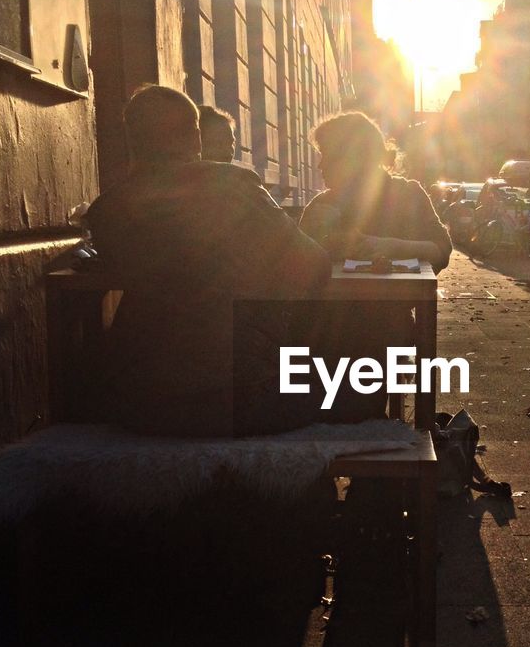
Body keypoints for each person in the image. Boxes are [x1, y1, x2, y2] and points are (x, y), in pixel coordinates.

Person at [87, 85, 331, 437]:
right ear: (196, 137)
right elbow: (314, 265)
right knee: (349, 388)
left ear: (131, 140)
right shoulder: (233, 184)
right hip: (239, 398)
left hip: (139, 404)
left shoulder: (106, 212)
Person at [299, 111, 451, 272]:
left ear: (357, 157)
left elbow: (442, 250)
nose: (320, 166)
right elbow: (294, 266)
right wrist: (309, 233)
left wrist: (391, 246)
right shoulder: (321, 204)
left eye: (328, 156)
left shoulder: (409, 194)